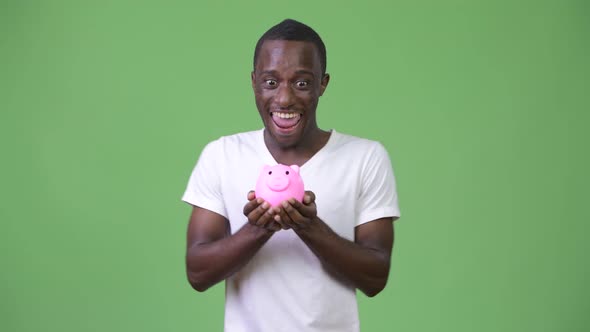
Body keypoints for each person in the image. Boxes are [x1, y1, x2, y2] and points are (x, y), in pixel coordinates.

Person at [182, 18, 400, 332]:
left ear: (322, 84)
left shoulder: (365, 158)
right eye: (271, 82)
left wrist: (308, 225)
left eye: (301, 83)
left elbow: (375, 277)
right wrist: (258, 229)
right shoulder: (221, 155)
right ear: (254, 82)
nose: (285, 99)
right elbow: (198, 274)